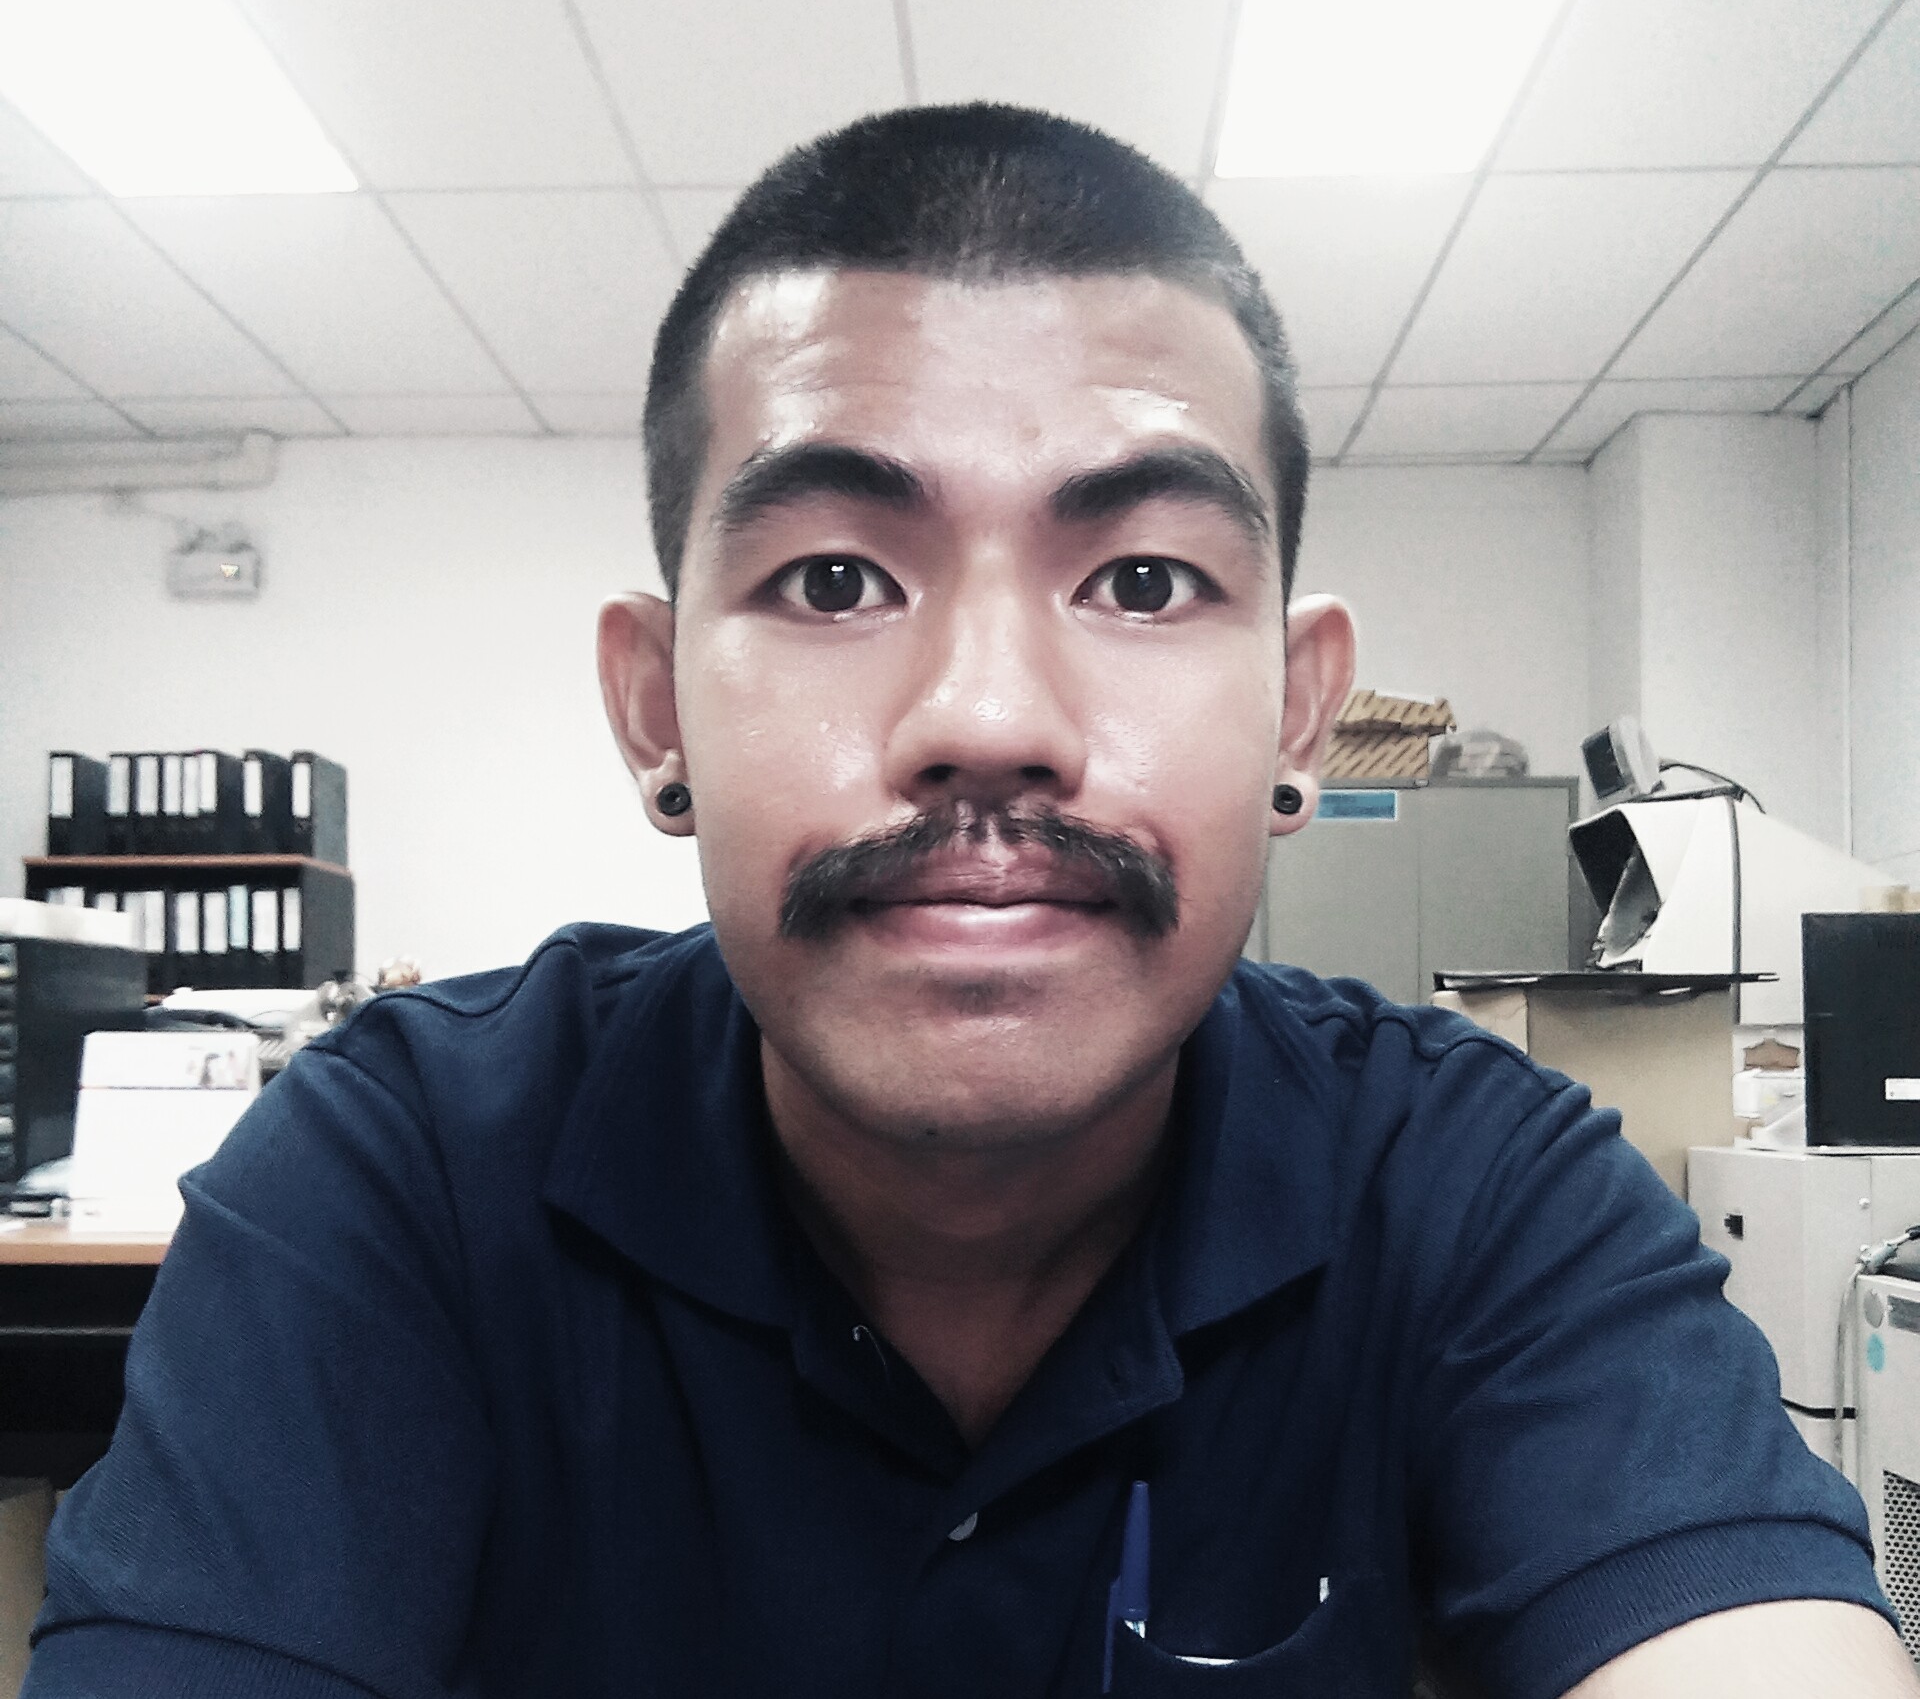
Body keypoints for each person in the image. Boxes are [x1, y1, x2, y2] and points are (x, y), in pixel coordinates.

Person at [24, 105, 1912, 1698]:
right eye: (836, 579)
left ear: (1298, 712)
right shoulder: (401, 1172)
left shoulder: (1476, 1185)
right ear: (658, 707)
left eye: (1145, 580)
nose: (989, 717)